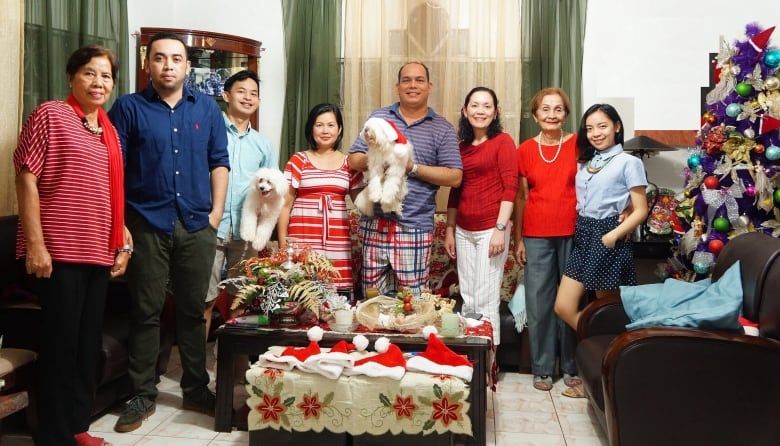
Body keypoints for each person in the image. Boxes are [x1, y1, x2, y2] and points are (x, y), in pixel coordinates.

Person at [108, 31, 229, 432]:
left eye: (176, 59)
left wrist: (215, 215)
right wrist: (121, 221)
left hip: (197, 224)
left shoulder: (208, 109)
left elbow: (219, 162)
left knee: (194, 311)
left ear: (188, 66)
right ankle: (142, 393)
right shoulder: (128, 107)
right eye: (160, 58)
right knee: (146, 312)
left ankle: (196, 387)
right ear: (148, 64)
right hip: (145, 224)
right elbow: (114, 167)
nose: (168, 65)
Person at [14, 44, 129, 446]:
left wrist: (122, 243)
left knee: (84, 348)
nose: (99, 82)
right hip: (59, 252)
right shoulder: (51, 114)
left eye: (107, 76)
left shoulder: (108, 131)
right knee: (61, 348)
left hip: (98, 252)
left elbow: (108, 195)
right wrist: (35, 244)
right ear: (71, 77)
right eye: (89, 73)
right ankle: (54, 435)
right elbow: (27, 177)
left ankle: (77, 427)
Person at [348, 61, 462, 295]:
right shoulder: (379, 117)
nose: (413, 85)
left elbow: (455, 176)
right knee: (372, 301)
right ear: (397, 86)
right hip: (374, 225)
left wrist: (411, 167)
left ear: (429, 87)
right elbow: (353, 159)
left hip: (415, 228)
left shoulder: (442, 128)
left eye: (419, 80)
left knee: (412, 304)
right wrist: (380, 157)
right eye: (406, 80)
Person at [554, 103, 647, 331]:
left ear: (616, 126)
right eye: (589, 128)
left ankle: (612, 352)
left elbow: (641, 209)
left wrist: (612, 236)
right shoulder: (586, 163)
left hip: (608, 233)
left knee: (608, 309)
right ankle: (602, 344)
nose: (595, 133)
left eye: (602, 126)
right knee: (563, 306)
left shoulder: (629, 162)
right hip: (584, 231)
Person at [513, 88, 581, 392]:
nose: (551, 115)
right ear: (536, 115)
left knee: (570, 301)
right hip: (536, 233)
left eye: (558, 109)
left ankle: (571, 365)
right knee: (539, 304)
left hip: (574, 232)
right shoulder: (525, 149)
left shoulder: (580, 144)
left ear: (565, 114)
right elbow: (521, 198)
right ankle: (542, 368)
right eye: (545, 109)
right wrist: (519, 240)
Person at [204, 69, 276, 338]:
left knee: (240, 302)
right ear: (226, 95)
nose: (248, 97)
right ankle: (197, 374)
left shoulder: (263, 145)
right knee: (205, 301)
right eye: (241, 91)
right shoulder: (210, 132)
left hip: (246, 232)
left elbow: (272, 189)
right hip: (211, 226)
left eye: (254, 93)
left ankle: (234, 373)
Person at [444, 87, 517, 344]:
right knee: (469, 295)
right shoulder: (460, 147)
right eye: (475, 105)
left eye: (487, 106)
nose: (480, 111)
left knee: (486, 297)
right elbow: (455, 191)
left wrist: (500, 228)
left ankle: (490, 363)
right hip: (463, 230)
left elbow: (510, 187)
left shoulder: (503, 141)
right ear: (465, 111)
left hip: (491, 228)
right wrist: (450, 229)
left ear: (495, 112)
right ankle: (471, 356)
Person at [277, 103, 360, 290]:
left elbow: (362, 202)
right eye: (319, 125)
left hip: (337, 240)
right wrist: (283, 244)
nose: (325, 130)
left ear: (339, 129)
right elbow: (284, 204)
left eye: (331, 125)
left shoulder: (349, 163)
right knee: (302, 293)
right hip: (302, 238)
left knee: (337, 300)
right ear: (311, 128)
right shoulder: (299, 160)